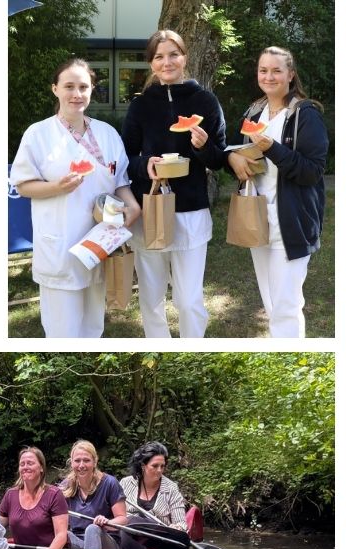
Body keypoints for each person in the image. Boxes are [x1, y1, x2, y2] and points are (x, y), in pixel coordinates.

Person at [10, 58, 141, 338]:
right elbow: (22, 185)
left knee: (94, 327)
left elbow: (120, 181)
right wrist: (57, 187)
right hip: (61, 244)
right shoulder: (39, 134)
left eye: (83, 86)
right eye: (69, 86)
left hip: (100, 244)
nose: (76, 94)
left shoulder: (107, 134)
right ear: (55, 89)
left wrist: (132, 205)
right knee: (62, 331)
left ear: (92, 89)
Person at [122, 29, 227, 338]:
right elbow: (125, 156)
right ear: (151, 64)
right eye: (158, 57)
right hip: (150, 209)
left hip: (190, 211)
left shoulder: (206, 101)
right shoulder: (140, 105)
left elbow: (218, 160)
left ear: (185, 57)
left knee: (189, 299)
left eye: (172, 54)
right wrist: (145, 164)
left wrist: (203, 146)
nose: (166, 62)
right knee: (151, 298)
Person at [225, 46, 328, 338]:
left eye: (276, 70)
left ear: (290, 75)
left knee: (286, 307)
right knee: (271, 305)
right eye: (263, 70)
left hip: (292, 222)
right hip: (258, 218)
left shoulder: (305, 115)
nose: (268, 76)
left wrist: (273, 148)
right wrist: (232, 158)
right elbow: (233, 151)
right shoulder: (254, 111)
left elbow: (312, 171)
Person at [0, 446, 72, 549]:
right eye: (22, 464)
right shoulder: (10, 495)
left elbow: (61, 535)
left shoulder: (54, 494)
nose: (25, 467)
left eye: (30, 463)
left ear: (41, 468)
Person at [59, 440, 131, 549]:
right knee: (60, 534)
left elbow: (123, 519)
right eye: (77, 461)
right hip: (79, 544)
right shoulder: (66, 486)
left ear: (95, 462)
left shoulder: (110, 483)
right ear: (71, 463)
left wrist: (107, 523)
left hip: (106, 543)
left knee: (92, 529)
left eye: (86, 460)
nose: (81, 465)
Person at [120, 441, 187, 530]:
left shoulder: (171, 488)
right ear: (143, 466)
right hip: (128, 532)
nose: (159, 470)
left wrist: (177, 527)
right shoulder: (125, 483)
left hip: (158, 536)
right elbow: (114, 513)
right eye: (155, 466)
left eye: (162, 466)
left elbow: (181, 522)